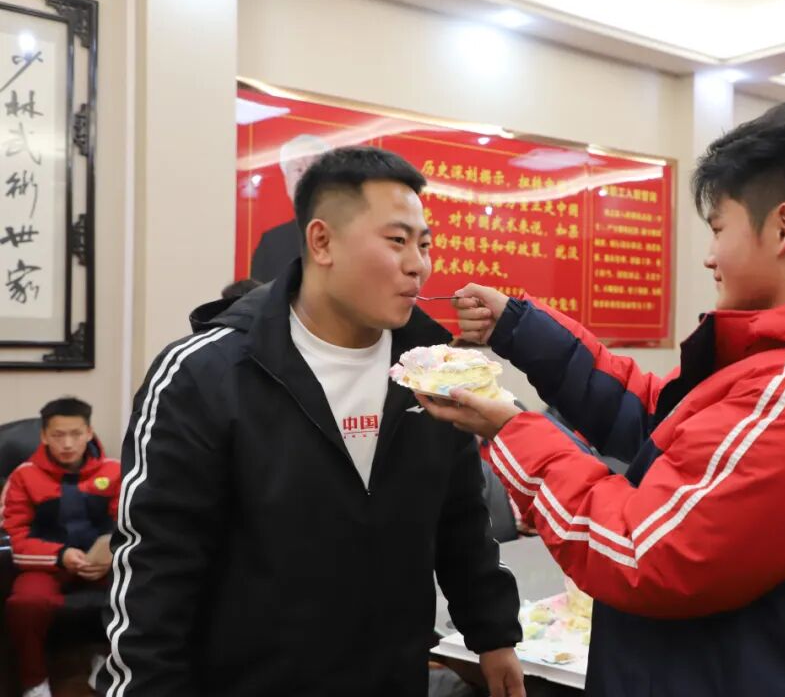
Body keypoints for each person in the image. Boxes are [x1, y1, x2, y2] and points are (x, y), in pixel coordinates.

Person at [418, 103, 785, 695]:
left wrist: (509, 429)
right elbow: (660, 423)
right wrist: (521, 330)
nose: (709, 255)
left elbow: (639, 552)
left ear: (784, 227)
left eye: (719, 228)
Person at [97, 147, 523, 697]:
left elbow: (460, 518)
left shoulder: (432, 369)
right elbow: (155, 568)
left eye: (424, 244)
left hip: (392, 676)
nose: (418, 264)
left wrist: (493, 635)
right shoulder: (207, 375)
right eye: (397, 241)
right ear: (321, 242)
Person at [3, 398, 120, 697]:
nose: (67, 444)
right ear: (44, 436)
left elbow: (129, 526)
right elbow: (16, 540)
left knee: (139, 591)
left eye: (76, 434)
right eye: (58, 435)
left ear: (89, 433)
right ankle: (34, 680)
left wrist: (111, 556)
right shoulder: (23, 476)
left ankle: (109, 664)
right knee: (25, 604)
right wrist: (60, 556)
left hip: (102, 564)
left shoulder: (115, 471)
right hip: (47, 565)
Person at [250, 133, 332, 281]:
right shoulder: (271, 243)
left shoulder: (349, 234)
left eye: (313, 168)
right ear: (287, 182)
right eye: (298, 170)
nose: (306, 177)